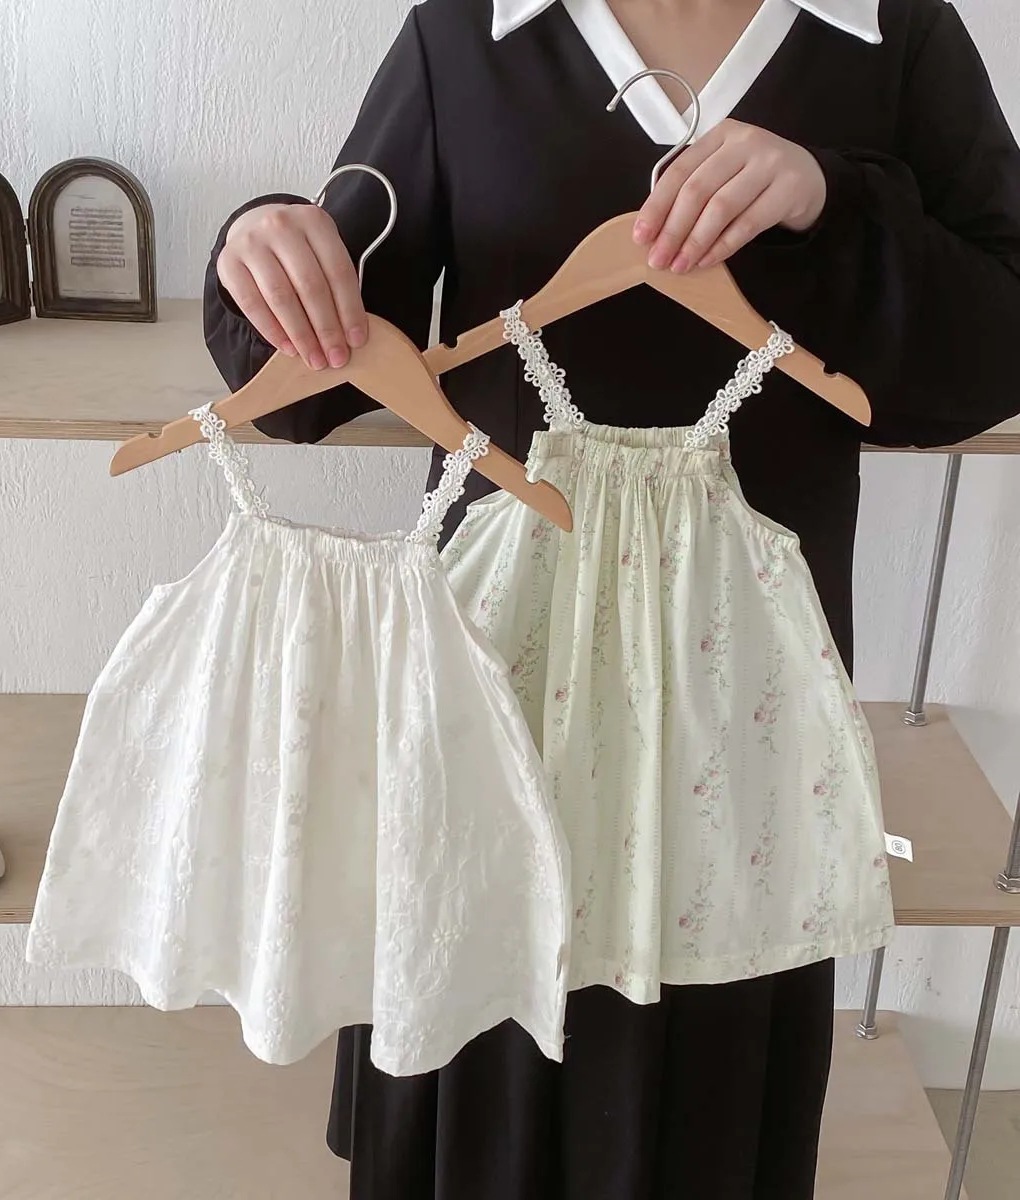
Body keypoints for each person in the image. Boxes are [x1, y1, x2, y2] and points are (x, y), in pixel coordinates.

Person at [203, 2, 1020, 1197]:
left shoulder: (893, 33)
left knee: (705, 1103)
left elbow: (993, 351)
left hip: (742, 722)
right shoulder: (467, 34)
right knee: (474, 1067)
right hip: (491, 696)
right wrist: (265, 246)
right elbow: (310, 378)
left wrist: (833, 200)